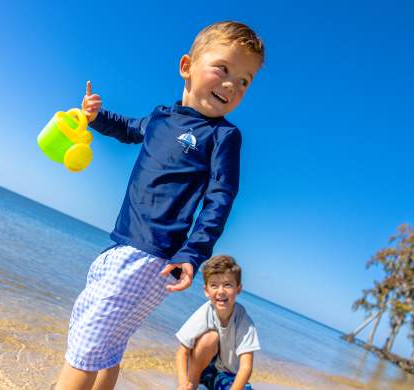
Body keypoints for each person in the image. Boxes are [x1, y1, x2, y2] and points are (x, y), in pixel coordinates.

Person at [54, 21, 265, 390]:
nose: (232, 84)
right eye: (223, 68)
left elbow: (220, 197)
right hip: (126, 248)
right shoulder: (161, 117)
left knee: (85, 345)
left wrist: (192, 254)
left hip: (148, 253)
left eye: (244, 80)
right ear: (187, 67)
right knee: (107, 347)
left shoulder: (222, 135)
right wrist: (96, 117)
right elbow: (129, 128)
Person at [175, 255, 259, 390]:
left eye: (227, 285)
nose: (220, 291)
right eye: (214, 285)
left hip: (227, 374)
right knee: (210, 337)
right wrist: (183, 383)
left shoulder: (243, 320)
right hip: (202, 368)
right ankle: (194, 383)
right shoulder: (205, 312)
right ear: (206, 291)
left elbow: (246, 366)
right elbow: (182, 351)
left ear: (238, 288)